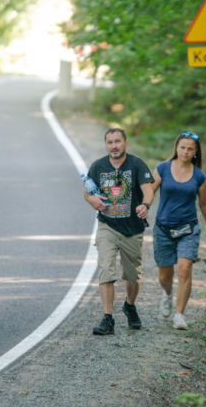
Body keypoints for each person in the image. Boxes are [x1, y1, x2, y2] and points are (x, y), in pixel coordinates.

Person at [84, 128, 154, 335]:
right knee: (105, 267)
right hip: (107, 225)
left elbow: (148, 189)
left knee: (133, 276)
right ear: (106, 145)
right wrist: (92, 200)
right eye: (110, 142)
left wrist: (145, 205)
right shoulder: (98, 166)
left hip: (132, 228)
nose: (114, 146)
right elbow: (87, 192)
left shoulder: (137, 164)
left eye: (117, 141)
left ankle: (130, 306)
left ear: (125, 143)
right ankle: (108, 319)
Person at [150, 131, 206, 330]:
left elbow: (204, 204)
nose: (185, 152)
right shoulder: (162, 168)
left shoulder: (200, 176)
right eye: (182, 147)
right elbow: (149, 191)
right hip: (163, 229)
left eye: (190, 149)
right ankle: (167, 295)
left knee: (184, 270)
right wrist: (142, 207)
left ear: (195, 152)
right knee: (165, 277)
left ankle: (179, 315)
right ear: (176, 148)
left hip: (188, 229)